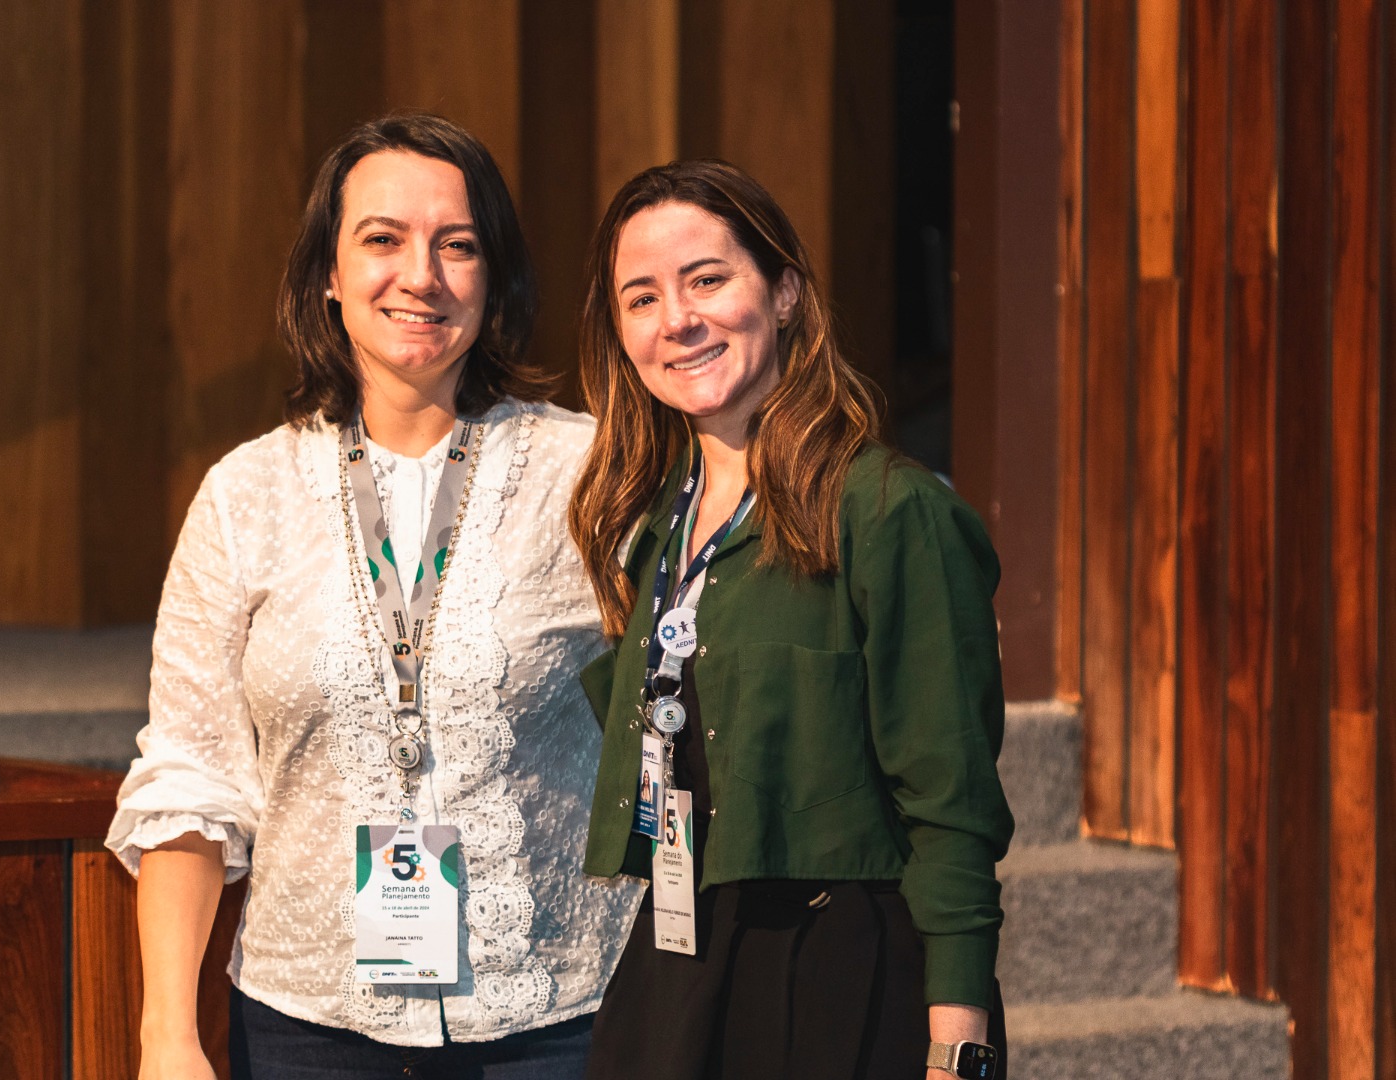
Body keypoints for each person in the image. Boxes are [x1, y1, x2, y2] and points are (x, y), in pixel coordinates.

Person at [107, 113, 639, 1080]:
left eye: (458, 245)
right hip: (307, 1025)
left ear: (495, 277)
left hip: (556, 1018)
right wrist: (167, 1036)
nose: (420, 276)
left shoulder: (593, 475)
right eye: (383, 239)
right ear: (329, 272)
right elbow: (191, 775)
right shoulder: (244, 494)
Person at [568, 160, 1014, 1080]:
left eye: (707, 280)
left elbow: (953, 806)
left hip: (840, 973)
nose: (677, 320)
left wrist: (956, 1046)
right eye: (642, 298)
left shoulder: (888, 511)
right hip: (682, 952)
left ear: (785, 294)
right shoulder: (650, 525)